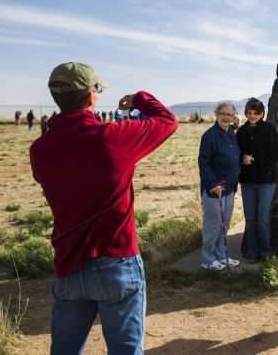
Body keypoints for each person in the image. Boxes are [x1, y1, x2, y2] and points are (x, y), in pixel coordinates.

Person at [29, 62, 178, 354]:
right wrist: (138, 98)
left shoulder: (40, 149)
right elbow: (168, 121)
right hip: (116, 259)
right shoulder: (112, 137)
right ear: (90, 97)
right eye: (96, 89)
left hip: (69, 264)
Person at [236, 97, 278, 263]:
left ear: (262, 114)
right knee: (251, 218)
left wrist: (264, 167)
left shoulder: (269, 129)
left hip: (266, 182)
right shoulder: (241, 132)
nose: (252, 116)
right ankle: (252, 251)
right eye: (249, 113)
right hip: (247, 181)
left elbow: (275, 154)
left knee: (262, 219)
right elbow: (236, 152)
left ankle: (266, 251)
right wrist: (243, 158)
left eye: (256, 113)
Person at [198, 101, 241, 271]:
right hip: (214, 190)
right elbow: (204, 162)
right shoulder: (210, 136)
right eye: (223, 113)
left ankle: (221, 255)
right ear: (216, 114)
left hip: (229, 188)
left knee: (225, 223)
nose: (226, 117)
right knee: (213, 224)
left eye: (229, 115)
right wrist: (213, 183)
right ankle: (208, 259)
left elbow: (233, 155)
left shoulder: (231, 133)